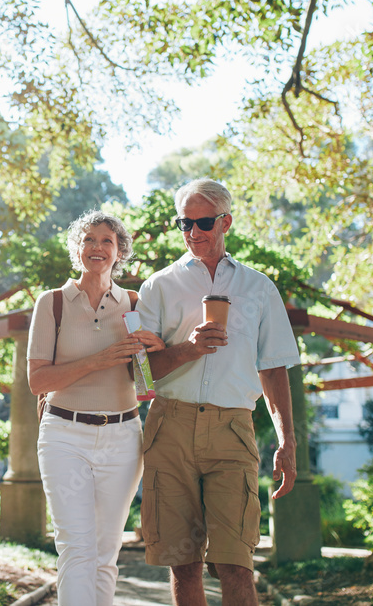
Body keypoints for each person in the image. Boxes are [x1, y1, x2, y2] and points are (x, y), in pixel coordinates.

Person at [137, 179, 300, 606]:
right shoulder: (158, 286)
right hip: (170, 426)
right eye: (184, 223)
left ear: (225, 221)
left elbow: (274, 366)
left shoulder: (259, 288)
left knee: (235, 562)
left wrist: (287, 441)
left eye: (203, 222)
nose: (193, 232)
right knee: (184, 563)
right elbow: (141, 373)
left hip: (233, 429)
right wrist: (189, 350)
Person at [27, 210, 165, 606]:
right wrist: (98, 360)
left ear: (119, 251)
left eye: (107, 241)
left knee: (105, 554)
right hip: (64, 435)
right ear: (77, 248)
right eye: (89, 239)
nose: (97, 247)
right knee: (75, 546)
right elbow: (39, 381)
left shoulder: (134, 303)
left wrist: (153, 354)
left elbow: (145, 385)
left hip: (123, 436)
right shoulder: (52, 303)